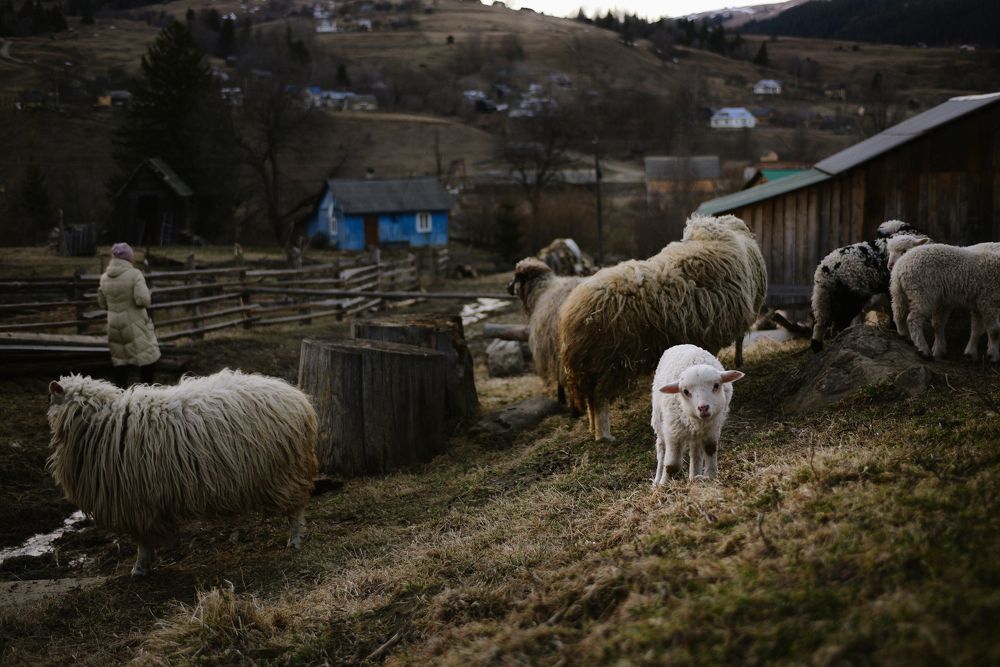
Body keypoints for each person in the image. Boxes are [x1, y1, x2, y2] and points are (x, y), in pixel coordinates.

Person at [97, 243, 161, 387]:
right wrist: (148, 294)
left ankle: (121, 398)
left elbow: (102, 303)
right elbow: (143, 300)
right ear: (129, 258)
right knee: (147, 358)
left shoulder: (105, 277)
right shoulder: (135, 274)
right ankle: (147, 395)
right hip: (135, 323)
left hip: (114, 325)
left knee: (120, 361)